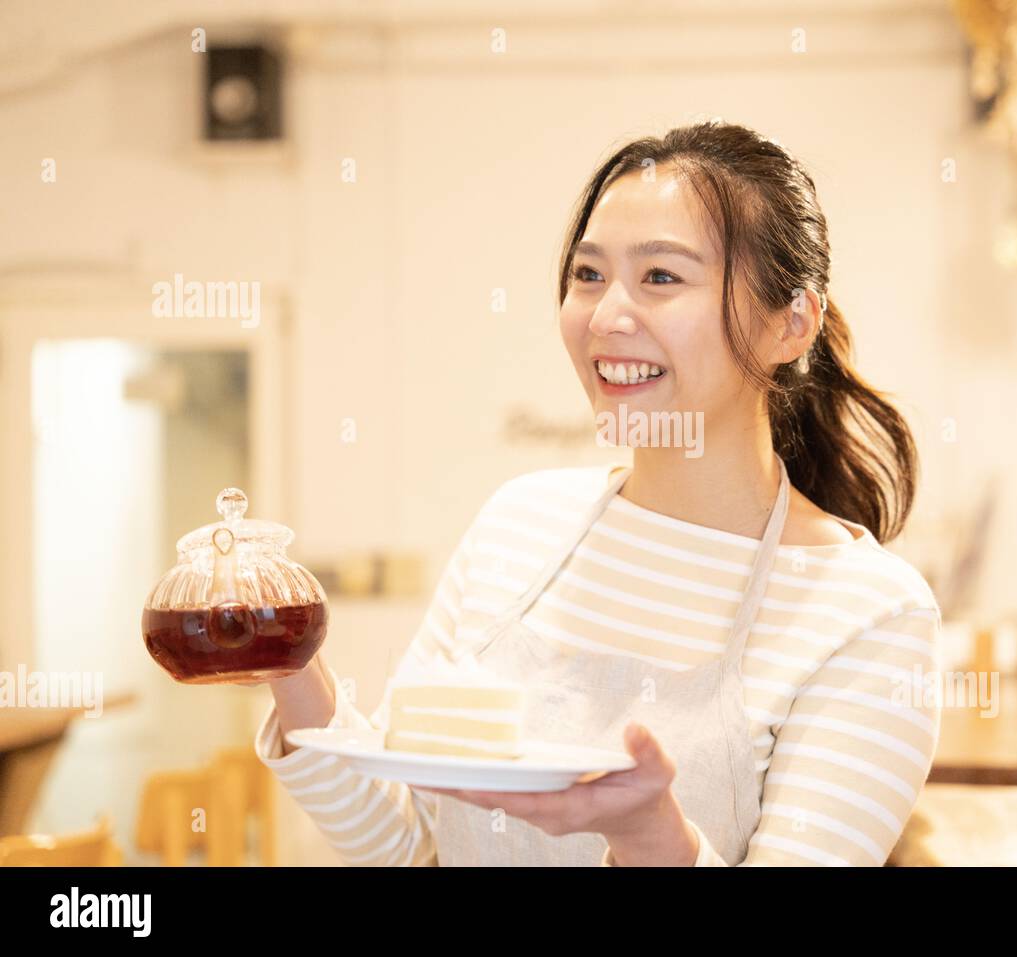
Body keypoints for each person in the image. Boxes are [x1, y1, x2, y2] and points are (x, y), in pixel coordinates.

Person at [253, 120, 942, 866]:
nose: (608, 316)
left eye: (661, 277)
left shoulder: (871, 616)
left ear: (790, 323)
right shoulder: (517, 526)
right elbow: (408, 847)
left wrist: (651, 837)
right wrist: (293, 663)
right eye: (588, 275)